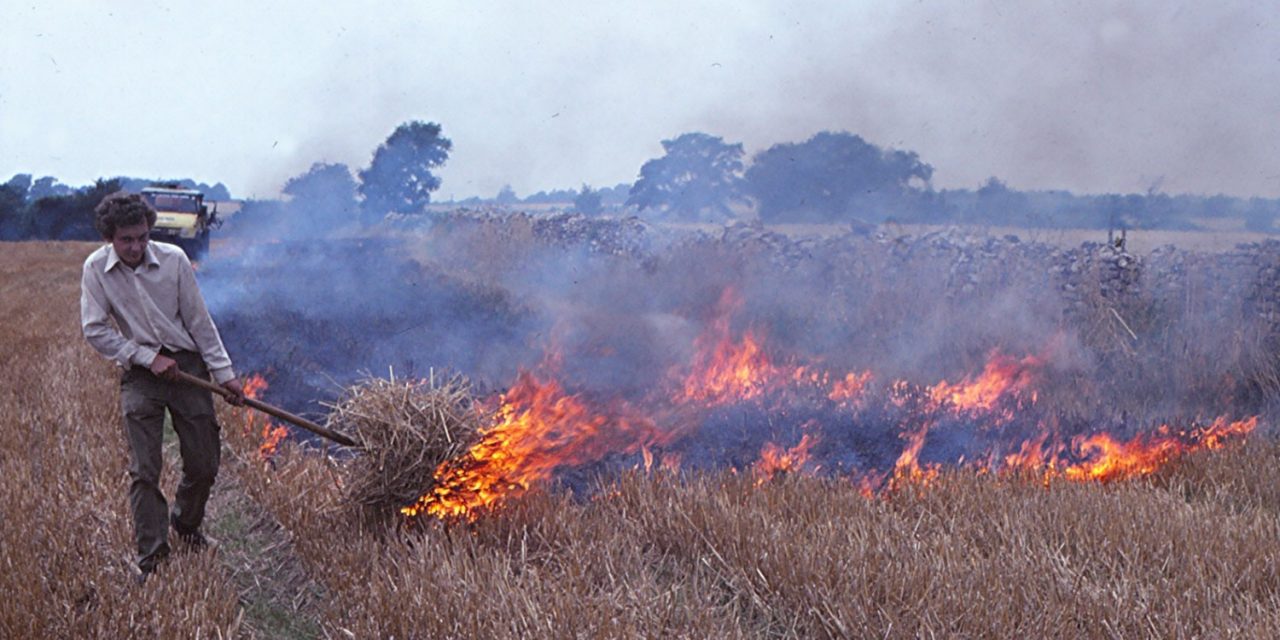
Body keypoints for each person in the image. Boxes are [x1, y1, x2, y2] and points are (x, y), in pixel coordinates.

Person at [80, 191, 245, 582]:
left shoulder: (174, 260)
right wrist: (145, 357)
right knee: (145, 470)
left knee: (204, 463)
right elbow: (95, 330)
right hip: (141, 373)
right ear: (109, 237)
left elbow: (200, 322)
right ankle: (152, 557)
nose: (136, 247)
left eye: (142, 237)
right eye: (126, 240)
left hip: (187, 366)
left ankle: (185, 523)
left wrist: (225, 374)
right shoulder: (95, 268)